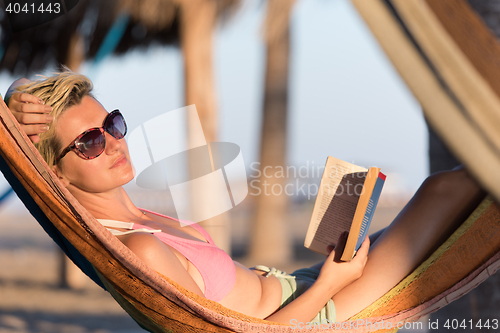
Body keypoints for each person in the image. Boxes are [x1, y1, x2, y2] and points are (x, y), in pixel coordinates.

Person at [5, 70, 486, 325]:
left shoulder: (140, 217)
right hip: (320, 311)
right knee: (447, 189)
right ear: (54, 174)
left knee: (414, 203)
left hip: (304, 283)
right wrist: (328, 285)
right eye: (89, 142)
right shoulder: (140, 250)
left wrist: (14, 97)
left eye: (112, 124)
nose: (113, 143)